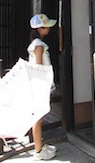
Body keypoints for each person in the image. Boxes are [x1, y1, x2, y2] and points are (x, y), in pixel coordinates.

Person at [28, 13, 58, 161]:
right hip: (40, 84)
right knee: (39, 117)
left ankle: (38, 145)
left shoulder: (35, 44)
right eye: (46, 27)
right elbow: (39, 66)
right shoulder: (39, 45)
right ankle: (38, 150)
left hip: (36, 83)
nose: (49, 29)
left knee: (39, 116)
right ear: (39, 29)